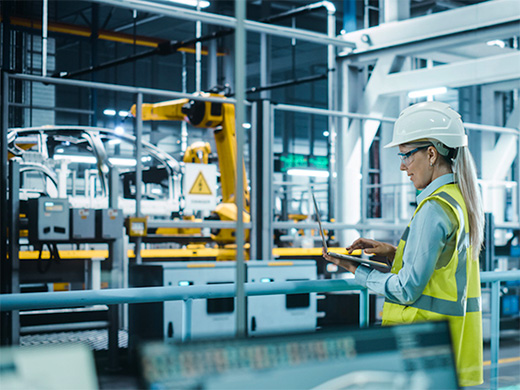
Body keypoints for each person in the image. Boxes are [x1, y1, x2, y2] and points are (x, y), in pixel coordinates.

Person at [323, 101, 484, 387]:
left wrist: (355, 269)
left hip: (422, 345)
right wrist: (393, 254)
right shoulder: (459, 199)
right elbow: (442, 265)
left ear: (432, 154)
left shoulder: (434, 208)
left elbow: (408, 289)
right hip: (451, 342)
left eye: (406, 155)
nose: (402, 166)